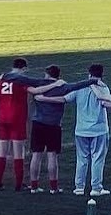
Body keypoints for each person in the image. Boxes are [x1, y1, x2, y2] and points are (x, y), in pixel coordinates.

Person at [35, 64, 111, 197]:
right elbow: (106, 103)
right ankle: (96, 188)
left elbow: (64, 99)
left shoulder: (80, 86)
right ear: (101, 74)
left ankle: (79, 187)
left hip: (81, 130)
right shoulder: (103, 87)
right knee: (97, 159)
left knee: (81, 159)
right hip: (98, 130)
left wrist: (44, 99)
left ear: (89, 74)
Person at [0, 58, 65, 191]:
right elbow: (35, 91)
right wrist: (55, 84)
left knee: (2, 152)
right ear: (23, 68)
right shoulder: (21, 81)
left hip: (2, 119)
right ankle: (18, 184)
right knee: (18, 153)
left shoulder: (1, 78)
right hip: (17, 119)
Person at [27, 66, 98, 194]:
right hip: (54, 125)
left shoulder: (39, 87)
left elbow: (24, 82)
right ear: (58, 76)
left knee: (36, 155)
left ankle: (34, 186)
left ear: (46, 74)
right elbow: (78, 85)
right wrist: (93, 80)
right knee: (52, 155)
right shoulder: (62, 87)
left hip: (38, 123)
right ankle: (53, 188)